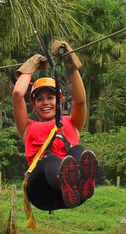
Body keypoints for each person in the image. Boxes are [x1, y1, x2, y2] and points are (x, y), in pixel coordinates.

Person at [13, 40, 99, 213]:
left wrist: (70, 63)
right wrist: (30, 68)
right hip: (41, 191)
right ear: (34, 103)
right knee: (51, 159)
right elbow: (17, 94)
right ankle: (67, 181)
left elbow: (80, 100)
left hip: (73, 195)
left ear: (58, 100)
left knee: (78, 150)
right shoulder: (27, 128)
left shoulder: (71, 123)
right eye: (39, 99)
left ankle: (82, 183)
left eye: (50, 98)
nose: (45, 103)